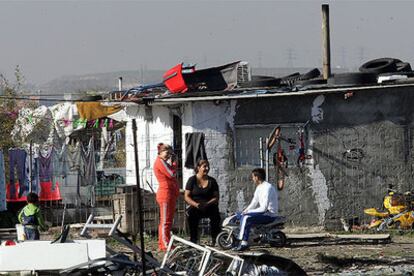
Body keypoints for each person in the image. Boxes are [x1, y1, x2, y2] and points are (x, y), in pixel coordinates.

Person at [234, 168, 278, 251]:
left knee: (246, 217)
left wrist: (248, 212)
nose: (252, 179)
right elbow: (254, 202)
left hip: (269, 214)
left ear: (257, 177)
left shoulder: (267, 187)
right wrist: (245, 210)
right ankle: (252, 236)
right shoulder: (259, 187)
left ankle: (243, 242)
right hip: (263, 213)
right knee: (239, 215)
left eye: (253, 177)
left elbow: (264, 208)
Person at [184, 159, 221, 245]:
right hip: (196, 206)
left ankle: (215, 239)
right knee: (191, 215)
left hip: (209, 205)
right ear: (198, 168)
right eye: (204, 166)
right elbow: (186, 196)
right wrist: (196, 204)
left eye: (208, 166)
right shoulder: (192, 180)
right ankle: (194, 239)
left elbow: (216, 197)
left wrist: (207, 204)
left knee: (215, 215)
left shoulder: (212, 181)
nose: (207, 168)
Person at [153, 143, 180, 251]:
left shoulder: (164, 162)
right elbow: (171, 173)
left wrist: (173, 163)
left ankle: (164, 243)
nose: (168, 154)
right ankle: (165, 244)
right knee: (165, 221)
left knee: (167, 220)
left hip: (170, 193)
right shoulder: (160, 162)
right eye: (166, 152)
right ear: (160, 152)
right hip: (165, 193)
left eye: (170, 152)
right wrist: (174, 162)